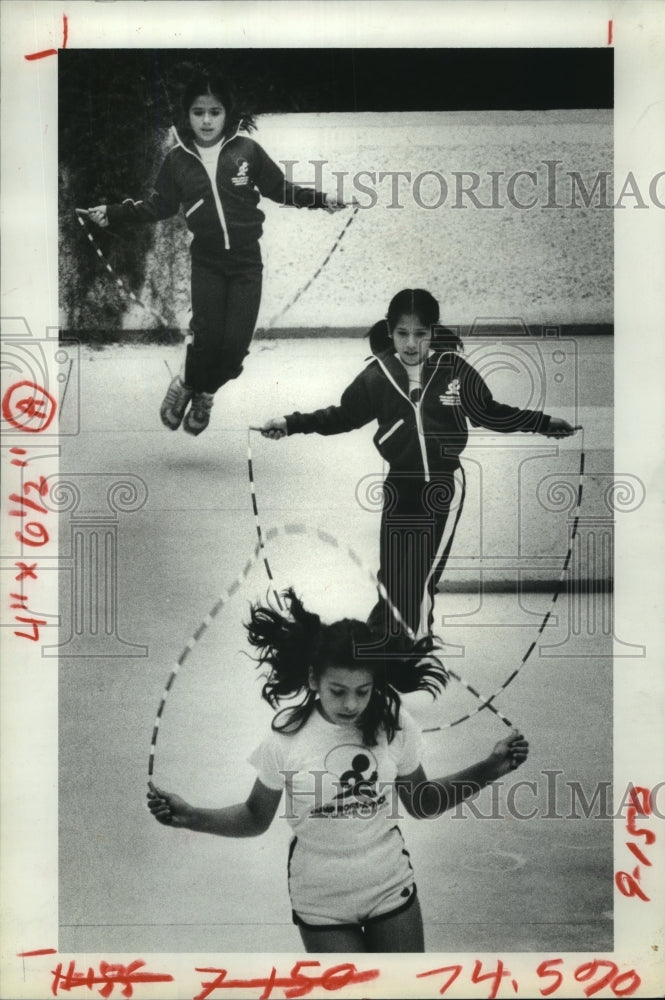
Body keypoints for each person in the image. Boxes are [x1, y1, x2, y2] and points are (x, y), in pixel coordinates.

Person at [147, 589, 529, 953]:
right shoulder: (286, 738)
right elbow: (255, 817)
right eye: (338, 690)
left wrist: (491, 767)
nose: (351, 704)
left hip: (388, 884)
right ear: (314, 680)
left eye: (363, 690)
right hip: (321, 899)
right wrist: (192, 817)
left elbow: (423, 802)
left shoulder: (394, 724)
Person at [259, 288, 581, 651]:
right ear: (390, 331)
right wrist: (289, 423)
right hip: (400, 486)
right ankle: (382, 650)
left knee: (420, 578)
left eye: (420, 333)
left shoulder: (455, 371)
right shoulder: (377, 375)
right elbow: (341, 416)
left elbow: (491, 412)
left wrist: (542, 422)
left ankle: (412, 653)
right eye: (402, 333)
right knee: (393, 578)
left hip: (444, 487)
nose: (411, 343)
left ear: (433, 331)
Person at [86, 71, 347, 436]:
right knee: (207, 339)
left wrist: (322, 200)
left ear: (227, 114)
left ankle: (204, 391)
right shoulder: (177, 161)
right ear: (187, 115)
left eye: (214, 111)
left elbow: (279, 188)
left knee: (235, 348)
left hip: (245, 263)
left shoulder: (247, 152)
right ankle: (187, 384)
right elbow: (158, 206)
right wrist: (112, 212)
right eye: (198, 112)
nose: (206, 120)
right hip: (207, 261)